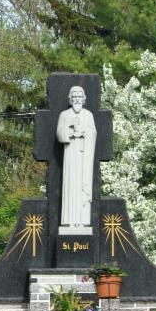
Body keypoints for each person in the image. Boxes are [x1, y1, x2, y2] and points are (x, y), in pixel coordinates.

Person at [56, 86, 96, 228]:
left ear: (84, 99)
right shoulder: (64, 115)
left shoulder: (88, 115)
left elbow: (93, 133)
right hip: (71, 154)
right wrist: (70, 128)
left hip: (84, 155)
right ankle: (70, 221)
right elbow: (60, 135)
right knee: (71, 185)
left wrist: (85, 133)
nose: (77, 99)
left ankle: (83, 221)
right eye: (75, 97)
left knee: (81, 186)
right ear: (70, 99)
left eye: (80, 97)